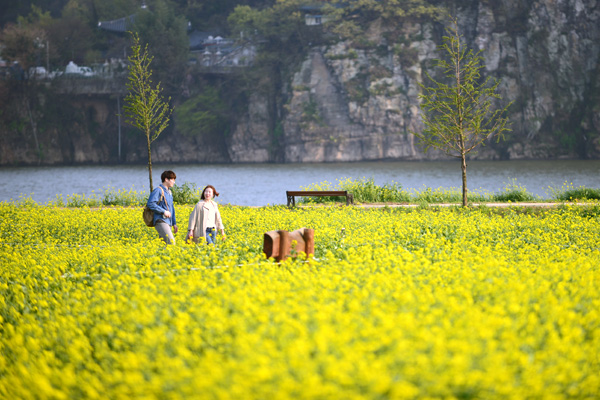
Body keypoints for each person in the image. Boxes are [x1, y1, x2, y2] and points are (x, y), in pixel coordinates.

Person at [147, 170, 178, 244]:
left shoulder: (169, 192)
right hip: (160, 220)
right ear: (166, 179)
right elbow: (150, 203)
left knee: (163, 245)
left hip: (168, 222)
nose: (174, 182)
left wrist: (174, 223)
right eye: (173, 180)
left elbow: (172, 208)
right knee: (171, 243)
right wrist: (163, 211)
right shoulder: (158, 190)